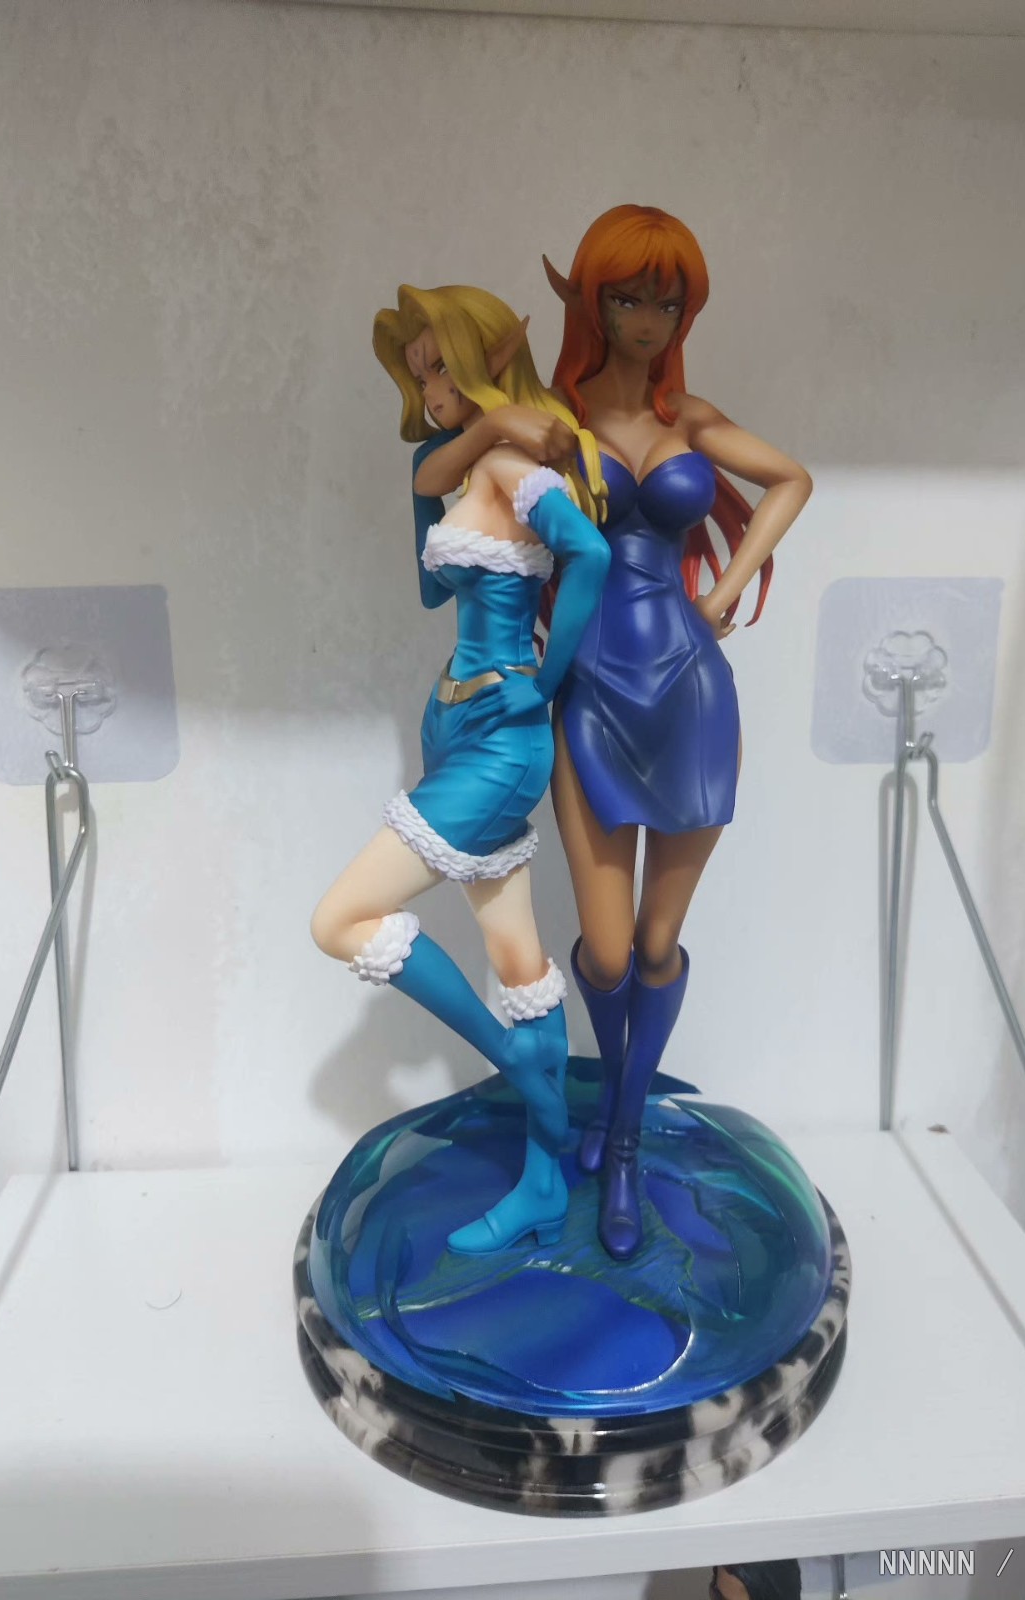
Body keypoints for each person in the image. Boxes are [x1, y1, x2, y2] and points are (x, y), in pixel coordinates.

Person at [415, 207, 812, 1259]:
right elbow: (445, 473)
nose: (647, 317)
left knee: (656, 943)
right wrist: (482, 421)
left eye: (666, 301)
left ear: (685, 313)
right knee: (601, 947)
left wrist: (724, 587)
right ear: (592, 304)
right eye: (627, 297)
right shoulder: (557, 418)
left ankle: (624, 1138)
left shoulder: (693, 420)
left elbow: (792, 479)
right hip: (587, 690)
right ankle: (613, 1113)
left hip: (689, 691)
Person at [310, 284, 608, 1255]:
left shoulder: (517, 471)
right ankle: (545, 1185)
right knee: (521, 965)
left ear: (488, 360)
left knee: (341, 920)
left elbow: (591, 557)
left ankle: (522, 1078)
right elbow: (430, 587)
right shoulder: (470, 465)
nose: (430, 386)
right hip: (454, 727)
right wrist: (456, 449)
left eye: (443, 366)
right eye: (419, 373)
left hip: (500, 740)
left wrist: (544, 684)